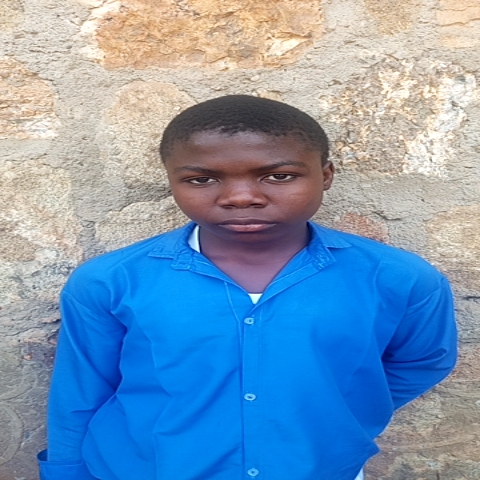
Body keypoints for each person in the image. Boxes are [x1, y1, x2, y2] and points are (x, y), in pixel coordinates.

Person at [38, 95, 457, 480]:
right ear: (171, 180)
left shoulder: (398, 278)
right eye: (202, 179)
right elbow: (80, 392)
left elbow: (422, 361)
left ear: (325, 175)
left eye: (279, 175)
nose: (240, 197)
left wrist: (335, 409)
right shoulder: (110, 281)